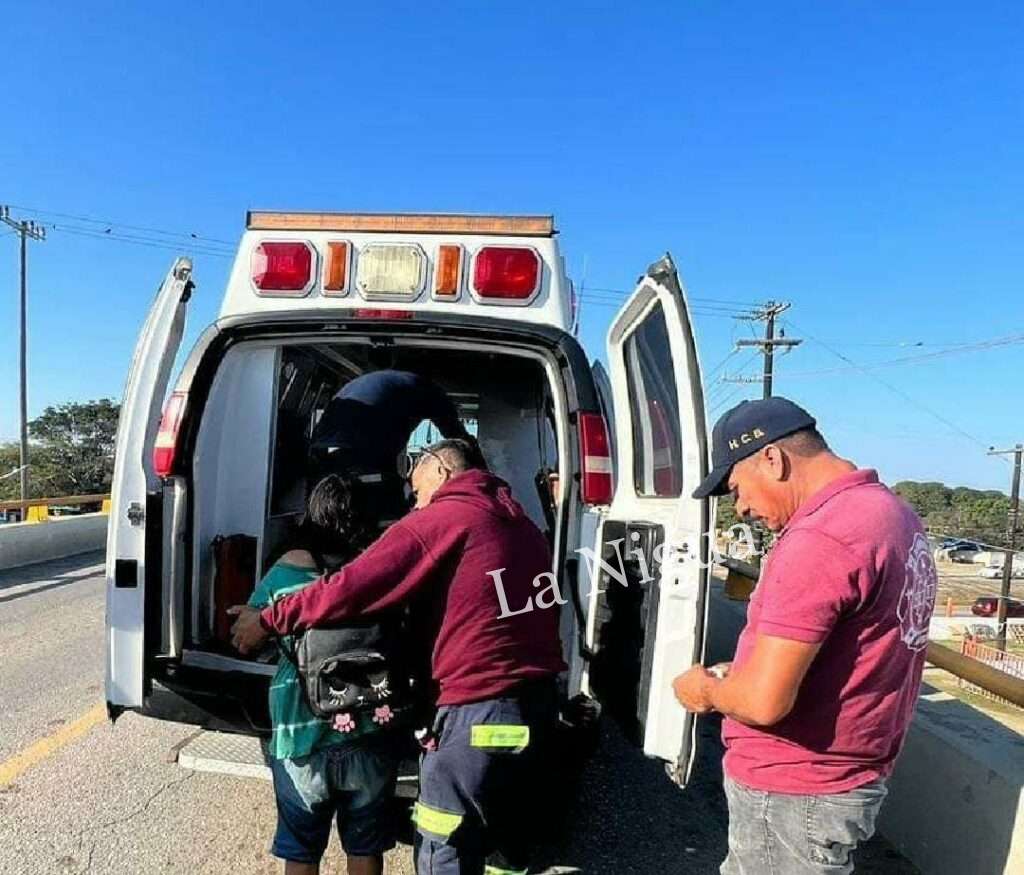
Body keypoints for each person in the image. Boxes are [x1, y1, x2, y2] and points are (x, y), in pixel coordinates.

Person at [231, 438, 567, 875]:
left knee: (444, 839)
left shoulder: (444, 517)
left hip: (477, 711)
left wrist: (271, 618)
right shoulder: (520, 524)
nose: (415, 503)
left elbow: (353, 587)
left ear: (441, 471)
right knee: (505, 841)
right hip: (535, 709)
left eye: (417, 490)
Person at [672, 397, 937, 875]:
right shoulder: (890, 514)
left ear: (771, 459)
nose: (742, 507)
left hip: (794, 787)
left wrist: (705, 688)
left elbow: (762, 703)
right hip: (846, 778)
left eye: (737, 488)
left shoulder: (820, 540)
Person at [233, 474, 398, 875]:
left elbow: (245, 642)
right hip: (370, 729)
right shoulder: (382, 569)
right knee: (364, 846)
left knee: (302, 851)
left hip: (301, 734)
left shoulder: (287, 570)